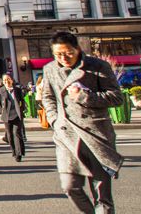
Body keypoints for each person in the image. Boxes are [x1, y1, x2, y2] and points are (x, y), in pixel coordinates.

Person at [41, 32, 123, 213]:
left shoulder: (98, 66)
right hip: (66, 134)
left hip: (95, 133)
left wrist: (84, 96)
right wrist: (54, 119)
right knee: (70, 187)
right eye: (58, 54)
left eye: (68, 53)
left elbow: (117, 97)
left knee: (101, 193)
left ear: (77, 49)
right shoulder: (50, 69)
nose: (63, 58)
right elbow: (48, 96)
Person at [0, 74, 26, 162]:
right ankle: (14, 151)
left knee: (17, 133)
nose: (6, 81)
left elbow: (22, 101)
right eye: (4, 80)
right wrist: (1, 110)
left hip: (17, 114)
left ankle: (19, 154)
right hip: (7, 115)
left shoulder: (18, 90)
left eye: (8, 79)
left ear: (12, 80)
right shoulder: (0, 91)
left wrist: (22, 109)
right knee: (10, 135)